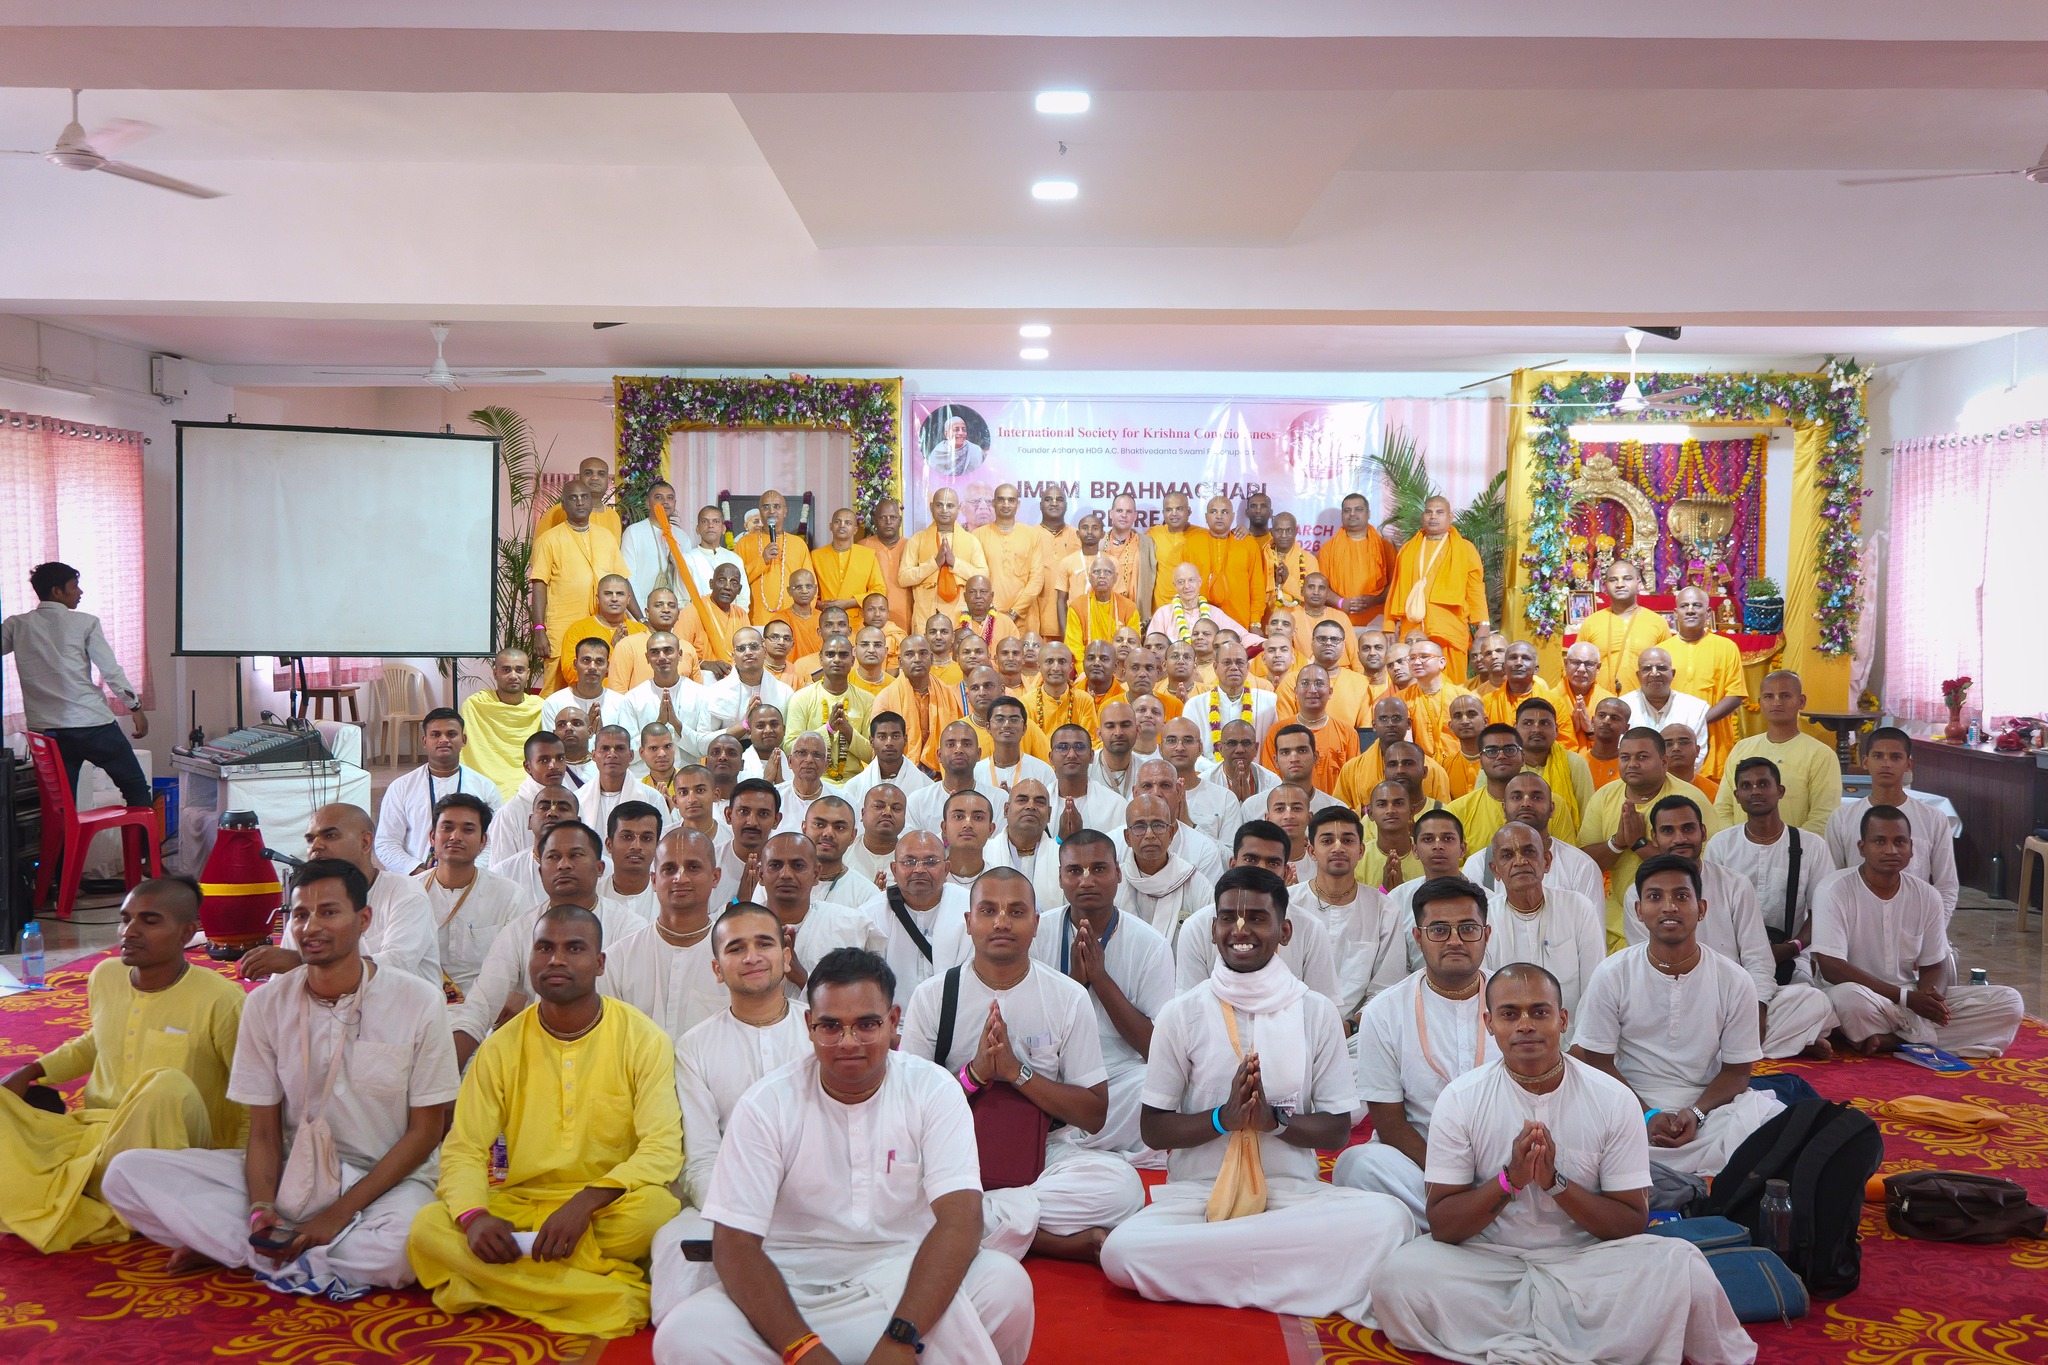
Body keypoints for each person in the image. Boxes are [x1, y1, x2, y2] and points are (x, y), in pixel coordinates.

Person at [657, 946, 1033, 1365]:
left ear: (894, 1021)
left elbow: (961, 1220)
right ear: (809, 1025)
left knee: (1005, 1287)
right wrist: (802, 1349)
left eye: (867, 1025)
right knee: (683, 1334)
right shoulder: (766, 1104)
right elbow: (735, 1245)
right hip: (794, 1292)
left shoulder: (933, 1090)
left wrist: (901, 1338)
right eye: (831, 1026)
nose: (848, 1042)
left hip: (906, 1283)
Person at [1370, 962, 1757, 1365]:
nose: (1525, 1025)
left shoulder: (1612, 1097)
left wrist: (1556, 1183)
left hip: (1588, 1264)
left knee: (1682, 1266)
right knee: (1397, 1277)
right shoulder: (1460, 1098)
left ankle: (1520, 1332)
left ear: (1563, 1020)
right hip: (1487, 1262)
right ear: (1488, 1024)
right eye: (1509, 1014)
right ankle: (1581, 1334)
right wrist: (1510, 1180)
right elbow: (1445, 1225)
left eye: (1539, 1012)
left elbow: (1629, 1223)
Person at [103, 860, 458, 1297]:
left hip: (386, 1182)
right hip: (291, 1175)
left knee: (404, 1248)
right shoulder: (266, 1004)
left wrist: (339, 1213)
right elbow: (264, 1132)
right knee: (125, 1175)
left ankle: (250, 1251)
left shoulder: (418, 1001)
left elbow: (426, 1132)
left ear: (364, 919)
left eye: (329, 912)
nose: (311, 926)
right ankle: (292, 1249)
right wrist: (260, 1209)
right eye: (301, 914)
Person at [1101, 866, 1412, 1323]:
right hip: (1199, 1197)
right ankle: (1294, 1273)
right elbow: (1154, 1128)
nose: (1240, 930)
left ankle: (1223, 1266)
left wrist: (1275, 1122)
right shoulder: (1181, 1014)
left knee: (1392, 1220)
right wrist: (1221, 1119)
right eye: (1229, 918)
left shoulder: (1316, 1012)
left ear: (1284, 931)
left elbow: (1336, 1131)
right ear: (1213, 929)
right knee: (1121, 1252)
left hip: (1292, 1197)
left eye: (1257, 918)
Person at [408, 905, 682, 1338]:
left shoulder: (643, 1039)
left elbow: (661, 1148)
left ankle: (482, 1283)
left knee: (657, 1212)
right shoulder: (501, 1046)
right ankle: (603, 1292)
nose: (556, 959)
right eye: (544, 948)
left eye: (574, 948)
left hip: (603, 1208)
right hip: (520, 1205)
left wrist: (585, 1202)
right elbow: (465, 1147)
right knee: (427, 1227)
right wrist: (474, 1218)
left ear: (600, 963)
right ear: (530, 958)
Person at [901, 868, 1145, 1261]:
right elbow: (907, 1112)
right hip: (954, 1149)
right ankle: (1045, 1239)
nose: (1001, 922)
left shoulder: (1067, 996)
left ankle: (967, 1221)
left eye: (1016, 912)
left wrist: (1017, 1073)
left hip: (1043, 1150)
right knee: (894, 1179)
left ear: (1035, 924)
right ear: (969, 922)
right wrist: (975, 1074)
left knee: (1123, 1190)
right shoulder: (932, 997)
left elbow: (1094, 1114)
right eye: (988, 910)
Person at [0, 878, 243, 1253]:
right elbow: (98, 1040)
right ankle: (101, 1188)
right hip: (95, 1132)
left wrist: (242, 1171)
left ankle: (82, 1188)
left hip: (177, 1146)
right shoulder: (106, 975)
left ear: (187, 932)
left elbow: (252, 1089)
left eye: (150, 920)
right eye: (125, 918)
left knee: (166, 1085)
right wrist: (31, 1071)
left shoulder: (221, 998)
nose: (130, 931)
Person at [645, 902, 811, 1324]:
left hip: (822, 1199)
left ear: (786, 956)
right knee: (676, 1246)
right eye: (736, 948)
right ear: (718, 969)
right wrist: (744, 1211)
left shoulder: (820, 1031)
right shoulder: (694, 1047)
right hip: (731, 1203)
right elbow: (700, 1160)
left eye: (764, 944)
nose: (752, 957)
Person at [1573, 854, 1785, 1177]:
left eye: (1681, 896)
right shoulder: (1612, 973)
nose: (1669, 907)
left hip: (1709, 1109)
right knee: (1575, 1132)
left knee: (1773, 1124)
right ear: (1639, 910)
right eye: (1655, 897)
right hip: (1629, 1104)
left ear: (1701, 909)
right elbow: (1598, 1062)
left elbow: (1737, 1073)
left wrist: (1695, 1113)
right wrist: (1647, 1115)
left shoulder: (1734, 979)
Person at [1333, 876, 1499, 1226]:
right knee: (1356, 1165)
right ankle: (1475, 1219)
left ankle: (1458, 1220)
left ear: (1486, 935)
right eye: (1439, 930)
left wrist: (1504, 1176)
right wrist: (1452, 1177)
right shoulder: (1385, 1010)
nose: (1454, 940)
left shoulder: (1514, 1001)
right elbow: (1389, 1123)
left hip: (1504, 1159)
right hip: (1422, 1162)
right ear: (1418, 938)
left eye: (1468, 928)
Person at [1621, 798, 1837, 1059]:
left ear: (1703, 832)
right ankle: (1772, 1043)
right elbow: (1648, 970)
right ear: (1654, 838)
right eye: (1668, 831)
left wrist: (1757, 1008)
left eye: (1688, 828)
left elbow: (1758, 959)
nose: (1680, 838)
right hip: (1672, 1003)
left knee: (1813, 1001)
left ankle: (1722, 1049)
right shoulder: (1639, 894)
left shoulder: (1734, 884)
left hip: (1733, 1000)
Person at [1810, 806, 2023, 1056]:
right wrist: (1906, 1000)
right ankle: (1916, 1037)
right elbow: (1831, 967)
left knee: (2009, 1002)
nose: (1891, 850)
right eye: (1880, 841)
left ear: (1911, 848)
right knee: (1848, 1000)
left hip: (1910, 998)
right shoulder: (1833, 890)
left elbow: (1934, 964)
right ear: (1862, 847)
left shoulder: (1926, 895)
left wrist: (1932, 1000)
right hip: (1862, 996)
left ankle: (1891, 1039)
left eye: (1900, 842)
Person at [453, 821, 653, 1066]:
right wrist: (446, 1077)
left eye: (575, 855)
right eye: (554, 857)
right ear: (541, 872)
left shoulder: (631, 929)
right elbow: (480, 1007)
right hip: (536, 1058)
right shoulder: (519, 930)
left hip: (611, 1059)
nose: (564, 864)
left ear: (600, 868)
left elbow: (642, 1016)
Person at [1034, 830, 1176, 1164]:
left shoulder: (1150, 944)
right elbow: (1032, 1030)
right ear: (1060, 878)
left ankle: (1063, 1142)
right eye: (1075, 871)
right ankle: (1079, 1142)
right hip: (1055, 1075)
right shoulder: (1037, 935)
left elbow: (1154, 1049)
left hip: (1120, 1078)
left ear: (1118, 874)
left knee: (1154, 1086)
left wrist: (1100, 979)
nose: (1087, 880)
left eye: (1098, 869)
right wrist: (1075, 984)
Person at [242, 803, 440, 988]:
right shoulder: (310, 899)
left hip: (402, 1008)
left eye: (330, 836)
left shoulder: (405, 891)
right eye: (310, 839)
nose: (315, 847)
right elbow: (282, 984)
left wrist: (301, 961)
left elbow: (397, 966)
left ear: (365, 842)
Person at [3, 560, 150, 805]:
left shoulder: (16, 625)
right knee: (136, 789)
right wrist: (136, 708)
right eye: (74, 586)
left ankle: (64, 834)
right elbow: (111, 672)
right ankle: (143, 832)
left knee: (60, 805)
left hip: (47, 733)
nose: (80, 592)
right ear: (56, 591)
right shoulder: (85, 622)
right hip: (93, 725)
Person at [1579, 727, 1719, 950]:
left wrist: (1639, 845)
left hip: (1679, 920)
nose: (1632, 764)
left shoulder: (1689, 799)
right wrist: (1617, 843)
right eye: (1625, 757)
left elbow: (1701, 869)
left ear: (1664, 762)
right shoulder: (1604, 796)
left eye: (1642, 757)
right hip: (1618, 921)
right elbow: (1585, 864)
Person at [1174, 825, 1342, 1005]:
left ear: (1286, 872)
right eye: (1250, 859)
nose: (1261, 869)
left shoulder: (1310, 928)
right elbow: (1191, 1007)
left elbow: (1321, 1006)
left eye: (1273, 863)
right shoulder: (1197, 927)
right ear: (1232, 865)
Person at [1708, 756, 1839, 986]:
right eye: (1746, 786)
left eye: (1763, 783)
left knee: (1809, 998)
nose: (1755, 791)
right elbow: (1712, 911)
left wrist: (1792, 947)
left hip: (1793, 956)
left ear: (1780, 791)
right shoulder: (1721, 845)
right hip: (1732, 957)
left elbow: (1823, 912)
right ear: (1737, 796)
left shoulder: (1811, 846)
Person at [599, 828, 727, 1041]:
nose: (680, 878)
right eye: (669, 869)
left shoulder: (734, 959)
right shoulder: (618, 959)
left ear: (715, 877)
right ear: (654, 880)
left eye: (693, 867)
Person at [1477, 822, 1606, 1027]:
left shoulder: (1578, 908)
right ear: (1495, 870)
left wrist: (1581, 1041)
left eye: (1529, 852)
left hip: (1571, 1037)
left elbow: (1595, 988)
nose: (1520, 861)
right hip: (1508, 1040)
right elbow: (1485, 999)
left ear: (1546, 861)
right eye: (1508, 855)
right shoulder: (1484, 920)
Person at [1824, 727, 1958, 923]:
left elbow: (1946, 885)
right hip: (1857, 921)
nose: (1886, 763)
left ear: (1908, 764)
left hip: (1914, 921)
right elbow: (1832, 880)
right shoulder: (1842, 818)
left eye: (1895, 757)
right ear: (1865, 762)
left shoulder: (1933, 819)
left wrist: (1933, 929)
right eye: (1878, 756)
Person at [1290, 805, 1409, 1020]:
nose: (1338, 848)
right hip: (1291, 1022)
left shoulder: (1384, 910)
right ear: (1312, 851)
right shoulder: (1288, 904)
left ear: (1361, 851)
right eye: (1327, 841)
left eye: (1347, 840)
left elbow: (1385, 991)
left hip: (1357, 1030)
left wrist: (1350, 1027)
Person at [418, 794, 529, 1003]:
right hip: (420, 1004)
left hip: (488, 1007)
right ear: (432, 837)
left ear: (482, 842)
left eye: (468, 830)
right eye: (447, 828)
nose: (455, 836)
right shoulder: (410, 892)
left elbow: (522, 960)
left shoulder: (509, 895)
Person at [374, 707, 505, 875]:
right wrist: (420, 873)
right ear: (424, 741)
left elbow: (494, 841)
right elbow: (386, 843)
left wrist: (469, 872)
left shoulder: (485, 787)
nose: (443, 740)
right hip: (415, 880)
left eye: (451, 734)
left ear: (463, 740)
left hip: (472, 878)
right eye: (435, 735)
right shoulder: (401, 787)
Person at [1710, 670, 1841, 834]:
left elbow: (1823, 816)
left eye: (1785, 696)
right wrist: (1734, 842)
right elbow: (1723, 808)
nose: (1776, 702)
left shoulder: (1821, 754)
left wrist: (1789, 846)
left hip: (1796, 848)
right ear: (1760, 702)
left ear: (1801, 701)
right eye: (1769, 696)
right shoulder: (1742, 749)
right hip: (1739, 847)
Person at [528, 483, 633, 674]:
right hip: (562, 625)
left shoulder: (606, 537)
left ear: (591, 502)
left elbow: (622, 581)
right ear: (563, 504)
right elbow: (539, 585)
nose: (579, 502)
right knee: (557, 686)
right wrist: (539, 628)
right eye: (573, 498)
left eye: (584, 497)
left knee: (604, 677)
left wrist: (641, 618)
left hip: (602, 625)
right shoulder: (548, 540)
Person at [1385, 497, 1489, 680]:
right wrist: (1388, 625)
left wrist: (1483, 624)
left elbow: (1475, 589)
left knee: (1453, 685)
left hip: (1449, 629)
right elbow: (1396, 588)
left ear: (1450, 517)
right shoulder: (1408, 549)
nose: (1433, 516)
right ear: (1423, 516)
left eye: (1439, 512)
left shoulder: (1465, 549)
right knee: (1411, 683)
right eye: (1429, 512)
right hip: (1412, 629)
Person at [1462, 773, 1605, 906]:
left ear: (1552, 809)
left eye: (1537, 797)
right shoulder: (1478, 864)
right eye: (1517, 797)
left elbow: (1592, 924)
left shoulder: (1582, 865)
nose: (1526, 803)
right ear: (1504, 809)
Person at [858, 830, 968, 1001]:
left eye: (930, 862)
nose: (919, 870)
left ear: (947, 869)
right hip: (891, 1015)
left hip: (955, 1014)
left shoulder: (969, 909)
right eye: (909, 862)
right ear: (894, 870)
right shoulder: (870, 915)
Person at [1663, 586, 1748, 781]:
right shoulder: (1663, 651)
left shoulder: (1727, 647)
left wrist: (1698, 722)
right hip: (1671, 742)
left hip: (1715, 743)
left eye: (1697, 605)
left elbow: (1735, 695)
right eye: (1684, 606)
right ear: (1675, 613)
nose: (1690, 610)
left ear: (1708, 612)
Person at [1119, 793, 1215, 937]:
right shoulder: (1114, 884)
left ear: (1171, 833)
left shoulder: (1197, 885)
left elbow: (1208, 941)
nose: (1149, 834)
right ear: (1127, 837)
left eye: (1158, 825)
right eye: (1139, 826)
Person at [1332, 697, 1452, 811]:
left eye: (1396, 718)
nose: (1390, 724)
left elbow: (1443, 814)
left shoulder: (1434, 770)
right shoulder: (1351, 769)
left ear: (1408, 724)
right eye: (1383, 719)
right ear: (1374, 725)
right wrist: (1365, 812)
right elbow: (1339, 813)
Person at [900, 487, 991, 637]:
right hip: (925, 615)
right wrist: (934, 564)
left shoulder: (971, 541)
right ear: (931, 507)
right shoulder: (917, 540)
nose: (944, 510)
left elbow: (983, 576)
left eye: (950, 506)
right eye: (939, 505)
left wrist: (955, 563)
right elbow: (903, 577)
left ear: (959, 508)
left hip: (959, 615)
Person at [1573, 559, 1670, 695]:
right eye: (1613, 580)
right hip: (1598, 702)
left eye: (1627, 579)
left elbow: (1667, 669)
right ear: (1605, 587)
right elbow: (1576, 665)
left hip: (1645, 702)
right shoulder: (1591, 622)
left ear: (1638, 584)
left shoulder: (1657, 623)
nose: (1620, 584)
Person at [459, 648, 544, 801]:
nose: (513, 676)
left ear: (528, 673)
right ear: (495, 673)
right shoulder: (476, 705)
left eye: (519, 670)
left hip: (528, 781)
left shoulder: (539, 707)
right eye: (506, 670)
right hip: (485, 780)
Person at [698, 623, 795, 751]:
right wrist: (745, 724)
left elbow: (789, 741)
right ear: (733, 656)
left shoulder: (785, 692)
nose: (748, 652)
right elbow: (702, 744)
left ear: (765, 651)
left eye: (754, 647)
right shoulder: (715, 692)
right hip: (728, 759)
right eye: (741, 648)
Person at [1444, 722, 1532, 853]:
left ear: (1523, 758)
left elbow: (1560, 855)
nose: (1501, 756)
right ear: (1480, 761)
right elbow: (1452, 862)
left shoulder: (1547, 805)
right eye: (1491, 751)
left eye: (1509, 750)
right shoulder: (1458, 810)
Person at [556, 572, 651, 692]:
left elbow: (649, 671)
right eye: (608, 593)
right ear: (597, 599)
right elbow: (571, 673)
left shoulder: (641, 631)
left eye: (620, 594)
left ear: (628, 599)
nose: (614, 599)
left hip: (632, 698)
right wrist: (613, 650)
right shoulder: (579, 629)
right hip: (592, 697)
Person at [618, 631, 705, 761]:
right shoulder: (633, 698)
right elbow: (627, 753)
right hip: (644, 773)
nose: (662, 657)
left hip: (688, 771)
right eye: (655, 652)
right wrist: (658, 724)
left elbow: (703, 748)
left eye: (668, 650)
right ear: (647, 658)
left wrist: (677, 725)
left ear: (680, 654)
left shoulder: (700, 694)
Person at [734, 489, 812, 625]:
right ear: (760, 512)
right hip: (755, 619)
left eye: (776, 506)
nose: (771, 511)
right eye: (766, 507)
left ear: (785, 511)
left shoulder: (798, 544)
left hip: (793, 620)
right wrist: (762, 560)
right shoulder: (744, 543)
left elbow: (810, 586)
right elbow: (735, 582)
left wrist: (804, 617)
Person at [1320, 493, 1397, 627]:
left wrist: (1375, 600)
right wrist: (1341, 603)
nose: (1352, 514)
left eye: (1358, 509)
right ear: (1342, 515)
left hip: (1378, 621)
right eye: (1347, 510)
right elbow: (1321, 586)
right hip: (1339, 621)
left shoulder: (1384, 547)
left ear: (1368, 514)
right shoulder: (1328, 548)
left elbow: (1395, 583)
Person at [1398, 639, 1473, 765]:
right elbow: (1406, 741)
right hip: (1423, 766)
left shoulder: (1462, 697)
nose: (1416, 662)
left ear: (1441, 662)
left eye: (1424, 656)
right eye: (1411, 658)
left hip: (1461, 763)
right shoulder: (1402, 699)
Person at [1620, 646, 1708, 752]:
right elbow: (1618, 751)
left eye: (1661, 668)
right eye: (1647, 669)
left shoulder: (1695, 708)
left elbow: (1698, 753)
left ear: (1672, 674)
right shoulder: (1622, 707)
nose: (1654, 673)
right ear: (1638, 675)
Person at [808, 505, 887, 614]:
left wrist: (849, 603)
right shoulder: (816, 556)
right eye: (838, 522)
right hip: (827, 617)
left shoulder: (868, 555)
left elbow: (879, 591)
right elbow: (809, 589)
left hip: (858, 618)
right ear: (831, 526)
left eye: (848, 523)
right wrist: (818, 603)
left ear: (855, 530)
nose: (842, 525)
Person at [680, 504, 752, 619]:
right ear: (697, 529)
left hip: (731, 621)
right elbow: (681, 599)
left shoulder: (734, 559)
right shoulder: (686, 559)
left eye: (716, 521)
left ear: (723, 529)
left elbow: (743, 597)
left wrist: (735, 620)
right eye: (705, 521)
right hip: (698, 621)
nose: (710, 525)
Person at [542, 636, 620, 734]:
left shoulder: (620, 703)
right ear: (575, 664)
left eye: (599, 661)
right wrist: (586, 733)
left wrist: (601, 735)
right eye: (586, 660)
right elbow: (551, 743)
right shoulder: (554, 703)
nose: (592, 667)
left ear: (608, 666)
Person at [535, 456, 623, 539]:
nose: (595, 477)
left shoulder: (614, 516)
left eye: (601, 474)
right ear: (578, 477)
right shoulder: (558, 512)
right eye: (588, 473)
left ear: (608, 480)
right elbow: (541, 546)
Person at [1558, 639, 1618, 753]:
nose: (1581, 669)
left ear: (1598, 668)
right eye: (1576, 662)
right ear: (1565, 663)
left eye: (1589, 664)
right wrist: (1570, 729)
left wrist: (1590, 730)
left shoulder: (1610, 703)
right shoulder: (1550, 699)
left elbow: (1614, 745)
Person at [1481, 641, 1558, 728]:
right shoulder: (1486, 703)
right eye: (1513, 658)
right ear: (1504, 667)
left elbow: (1563, 736)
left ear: (1536, 669)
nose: (1518, 663)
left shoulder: (1555, 703)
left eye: (1526, 658)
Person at [1439, 691, 1488, 797]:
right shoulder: (1444, 766)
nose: (1465, 721)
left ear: (1485, 722)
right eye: (1458, 716)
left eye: (1471, 714)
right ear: (1451, 726)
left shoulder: (1499, 761)